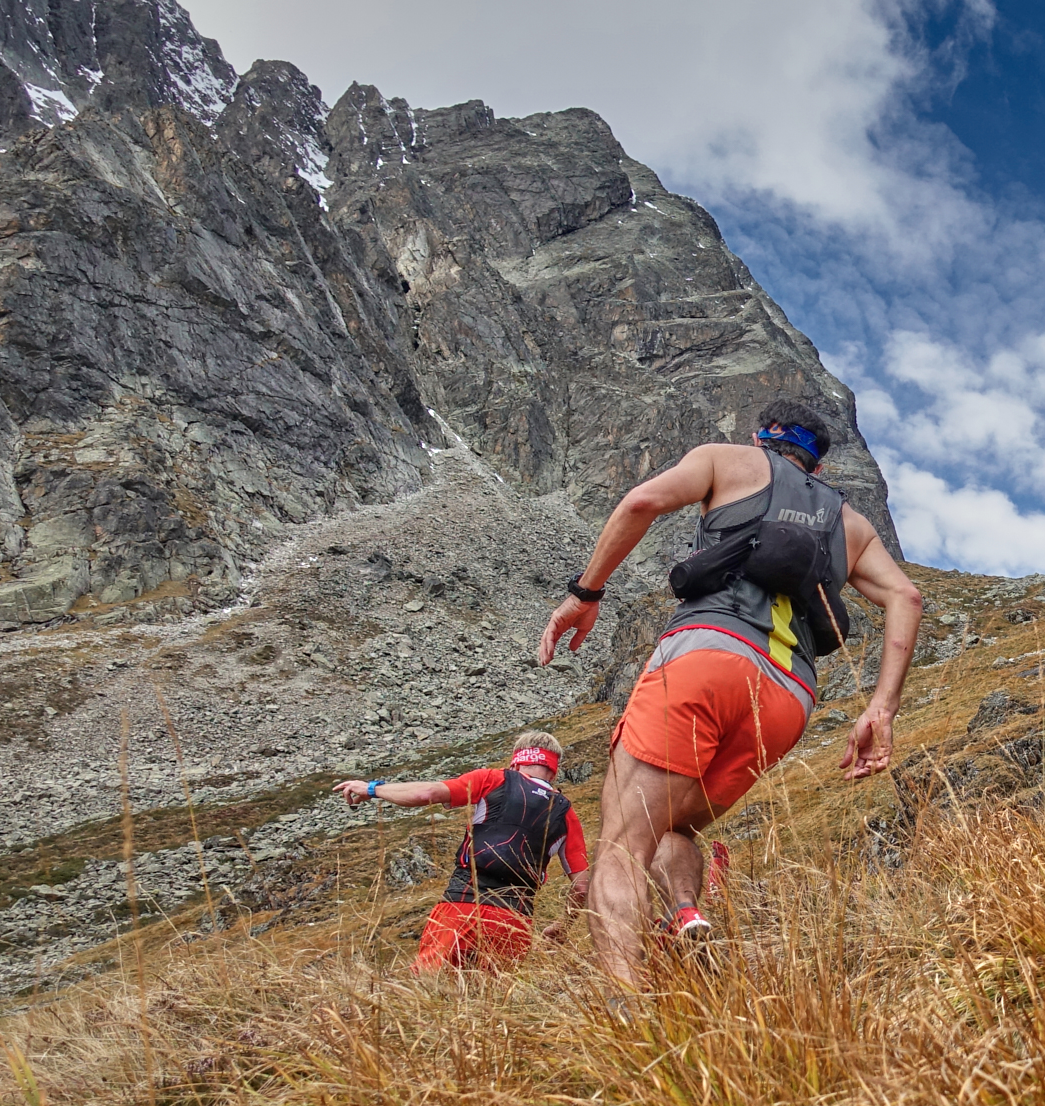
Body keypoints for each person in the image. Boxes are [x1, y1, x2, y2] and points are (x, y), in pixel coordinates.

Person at [536, 401, 923, 987]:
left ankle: (626, 1011)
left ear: (759, 437)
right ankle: (687, 915)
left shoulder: (726, 461)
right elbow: (907, 598)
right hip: (789, 697)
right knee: (675, 828)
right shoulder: (851, 524)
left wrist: (585, 595)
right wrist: (881, 708)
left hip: (707, 657)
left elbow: (639, 502)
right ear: (818, 466)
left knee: (621, 843)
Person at [334, 731, 591, 972]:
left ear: (515, 762)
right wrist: (562, 926)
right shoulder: (566, 813)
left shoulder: (494, 779)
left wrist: (372, 789)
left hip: (463, 905)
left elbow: (428, 793)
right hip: (514, 920)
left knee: (430, 990)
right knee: (491, 1008)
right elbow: (582, 887)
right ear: (553, 773)